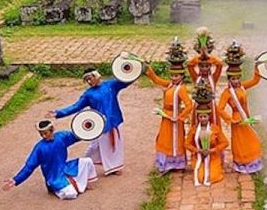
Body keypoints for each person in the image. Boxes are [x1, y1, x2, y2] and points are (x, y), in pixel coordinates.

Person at [48, 64, 133, 175]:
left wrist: (134, 70)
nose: (88, 81)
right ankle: (87, 163)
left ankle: (115, 167)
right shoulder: (88, 94)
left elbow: (126, 81)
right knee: (95, 146)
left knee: (115, 145)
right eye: (86, 80)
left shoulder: (111, 85)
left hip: (115, 120)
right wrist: (58, 113)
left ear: (96, 76)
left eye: (89, 78)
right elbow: (76, 106)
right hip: (99, 124)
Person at [3, 120, 97, 200]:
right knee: (72, 194)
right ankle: (55, 189)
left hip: (66, 168)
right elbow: (29, 167)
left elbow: (77, 135)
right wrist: (16, 180)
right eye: (41, 134)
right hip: (54, 177)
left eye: (45, 133)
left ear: (52, 130)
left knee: (87, 161)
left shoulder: (61, 137)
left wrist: (91, 127)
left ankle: (84, 183)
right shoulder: (39, 148)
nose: (43, 136)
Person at [144, 39, 194, 173]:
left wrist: (180, 117)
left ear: (182, 76)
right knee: (164, 139)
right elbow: (156, 80)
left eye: (176, 75)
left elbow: (189, 105)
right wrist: (148, 69)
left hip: (174, 118)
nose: (173, 77)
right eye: (172, 75)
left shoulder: (181, 89)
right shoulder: (170, 85)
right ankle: (165, 163)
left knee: (175, 140)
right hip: (166, 117)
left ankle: (176, 163)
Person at [216, 41, 263, 174]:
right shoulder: (227, 93)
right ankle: (242, 163)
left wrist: (257, 67)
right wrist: (230, 119)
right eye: (233, 79)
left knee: (252, 140)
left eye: (237, 78)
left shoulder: (242, 86)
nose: (236, 81)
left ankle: (253, 163)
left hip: (246, 117)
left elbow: (255, 80)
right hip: (237, 120)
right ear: (229, 79)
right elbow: (220, 108)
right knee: (240, 143)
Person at [185, 80, 228, 186]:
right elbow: (186, 144)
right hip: (198, 156)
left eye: (205, 116)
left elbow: (225, 143)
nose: (203, 119)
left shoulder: (215, 129)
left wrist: (213, 150)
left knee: (212, 176)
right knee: (200, 177)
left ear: (209, 117)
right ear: (198, 117)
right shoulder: (194, 129)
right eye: (201, 117)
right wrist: (197, 150)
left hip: (212, 156)